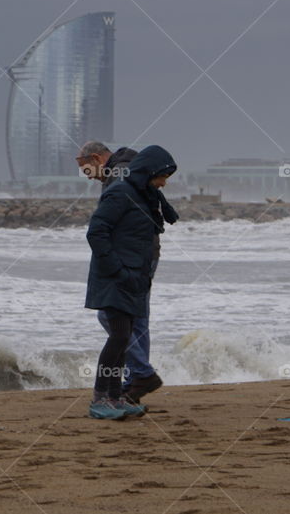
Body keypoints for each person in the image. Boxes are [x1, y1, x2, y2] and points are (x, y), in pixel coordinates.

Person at [84, 145, 179, 419]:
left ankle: (115, 398)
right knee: (117, 338)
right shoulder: (120, 192)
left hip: (133, 277)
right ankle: (100, 399)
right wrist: (118, 270)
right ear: (149, 172)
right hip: (116, 277)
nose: (163, 183)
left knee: (123, 336)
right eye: (162, 177)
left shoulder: (142, 194)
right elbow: (97, 232)